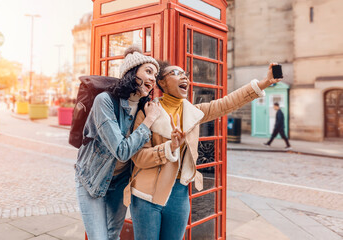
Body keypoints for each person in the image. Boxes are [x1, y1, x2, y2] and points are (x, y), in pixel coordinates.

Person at [125, 62, 281, 240]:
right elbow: (139, 158)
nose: (185, 77)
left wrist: (265, 82)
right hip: (147, 195)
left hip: (179, 194)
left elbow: (227, 103)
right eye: (176, 73)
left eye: (186, 74)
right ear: (162, 82)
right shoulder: (147, 113)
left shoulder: (194, 112)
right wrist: (170, 147)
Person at [75, 47, 161, 240]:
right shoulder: (104, 101)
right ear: (132, 73)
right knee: (99, 237)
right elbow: (122, 151)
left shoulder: (143, 107)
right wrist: (149, 121)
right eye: (148, 71)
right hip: (93, 178)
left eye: (155, 75)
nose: (153, 78)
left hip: (121, 181)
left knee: (113, 235)